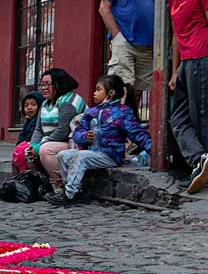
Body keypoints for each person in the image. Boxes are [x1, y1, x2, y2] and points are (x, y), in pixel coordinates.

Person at [48, 75, 152, 205]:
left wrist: (152, 149)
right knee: (63, 155)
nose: (94, 93)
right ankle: (72, 189)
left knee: (81, 157)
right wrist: (85, 136)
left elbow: (137, 133)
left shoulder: (122, 112)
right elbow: (77, 133)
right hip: (93, 152)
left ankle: (69, 195)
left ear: (111, 93)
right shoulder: (91, 112)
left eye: (98, 90)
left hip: (110, 154)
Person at [160, 0, 208, 194]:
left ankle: (202, 168)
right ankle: (200, 159)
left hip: (203, 58)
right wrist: (175, 70)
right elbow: (176, 37)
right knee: (177, 117)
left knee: (200, 116)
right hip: (186, 64)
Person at [26, 68, 86, 190]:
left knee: (45, 150)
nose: (43, 88)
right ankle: (43, 184)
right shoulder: (45, 103)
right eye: (42, 84)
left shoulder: (68, 102)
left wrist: (39, 147)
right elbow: (38, 129)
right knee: (27, 151)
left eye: (47, 84)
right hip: (53, 141)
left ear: (59, 84)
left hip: (74, 142)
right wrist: (33, 145)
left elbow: (63, 132)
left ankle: (60, 185)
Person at [10, 91, 42, 174]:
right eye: (26, 105)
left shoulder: (37, 121)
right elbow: (21, 137)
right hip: (25, 147)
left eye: (33, 105)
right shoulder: (27, 122)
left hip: (34, 146)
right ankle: (16, 179)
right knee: (15, 159)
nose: (29, 108)